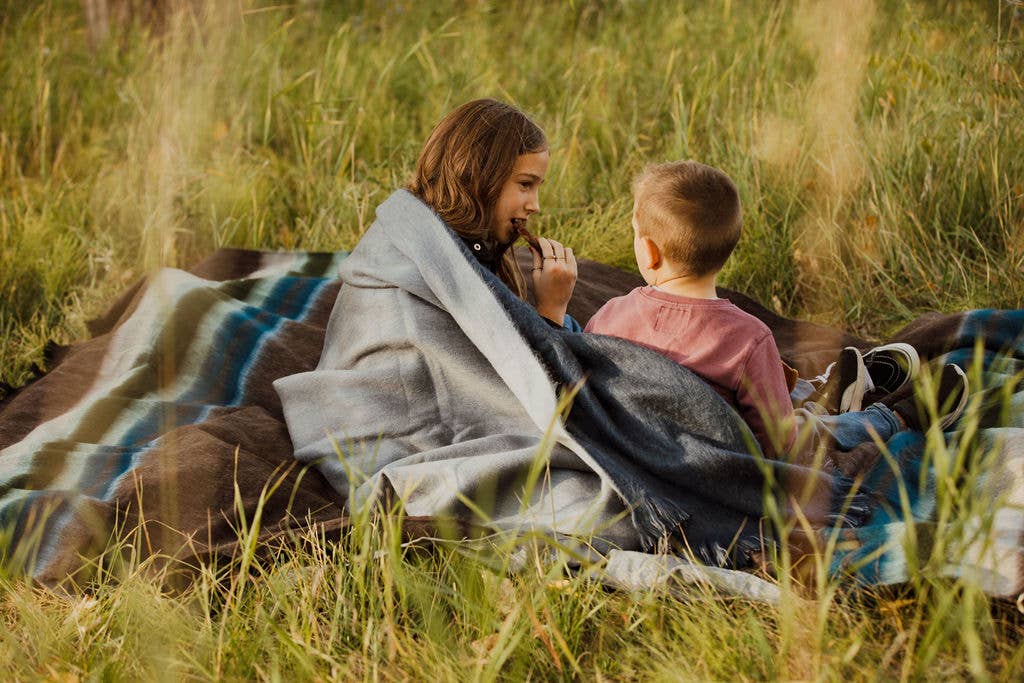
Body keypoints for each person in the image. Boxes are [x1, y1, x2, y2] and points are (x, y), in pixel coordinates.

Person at [584, 160, 968, 459]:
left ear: (648, 251)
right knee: (810, 432)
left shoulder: (609, 316)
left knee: (782, 391)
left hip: (644, 452)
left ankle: (829, 392)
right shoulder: (748, 339)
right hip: (729, 460)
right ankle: (894, 417)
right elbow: (779, 445)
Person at [407, 98, 578, 326]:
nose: (535, 206)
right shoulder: (449, 273)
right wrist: (552, 310)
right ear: (478, 176)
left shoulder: (468, 251)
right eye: (525, 184)